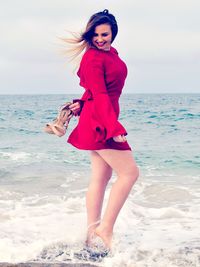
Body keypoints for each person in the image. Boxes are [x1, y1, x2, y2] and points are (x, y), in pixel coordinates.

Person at [65, 9, 139, 254]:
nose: (99, 39)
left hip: (97, 116)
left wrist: (81, 103)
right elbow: (101, 94)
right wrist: (114, 127)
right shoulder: (94, 57)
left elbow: (95, 91)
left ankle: (90, 235)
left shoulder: (111, 54)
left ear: (113, 33)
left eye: (104, 34)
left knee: (101, 177)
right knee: (130, 173)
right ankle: (105, 229)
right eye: (95, 35)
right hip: (100, 122)